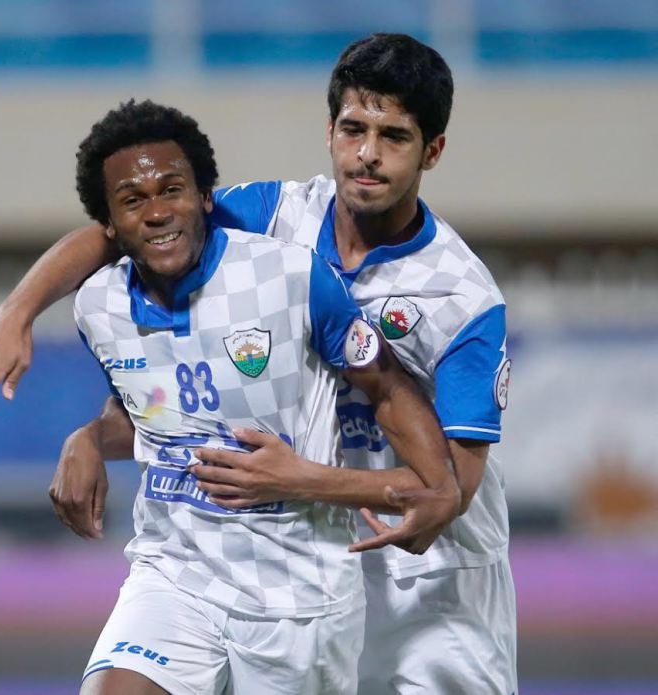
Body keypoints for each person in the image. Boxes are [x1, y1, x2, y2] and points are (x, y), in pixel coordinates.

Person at [0, 34, 516, 695]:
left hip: (430, 580)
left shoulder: (462, 297)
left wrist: (300, 479)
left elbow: (451, 490)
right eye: (353, 129)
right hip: (305, 548)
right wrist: (18, 314)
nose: (367, 154)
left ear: (433, 150)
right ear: (330, 131)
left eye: (394, 136)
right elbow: (129, 224)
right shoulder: (274, 216)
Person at [48, 97, 458, 695]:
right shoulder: (97, 307)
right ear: (108, 224)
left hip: (301, 597)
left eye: (172, 190)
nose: (157, 212)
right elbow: (154, 412)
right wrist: (88, 438)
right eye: (133, 200)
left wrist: (433, 484)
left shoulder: (290, 276)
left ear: (205, 197)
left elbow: (388, 387)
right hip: (175, 574)